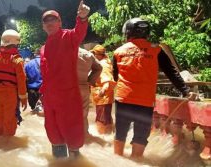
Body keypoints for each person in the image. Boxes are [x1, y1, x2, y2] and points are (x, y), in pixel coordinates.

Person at [112, 17, 197, 159]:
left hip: (123, 99)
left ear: (128, 32)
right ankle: (136, 161)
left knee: (120, 132)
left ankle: (116, 160)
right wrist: (186, 91)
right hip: (145, 101)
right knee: (140, 134)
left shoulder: (118, 52)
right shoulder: (156, 50)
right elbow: (172, 73)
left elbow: (115, 76)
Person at [40, 1, 90, 159]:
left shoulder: (68, 36)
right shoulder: (43, 48)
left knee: (73, 134)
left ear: (60, 22)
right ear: (43, 26)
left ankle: (76, 161)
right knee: (54, 136)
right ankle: (59, 162)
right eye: (46, 21)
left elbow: (79, 32)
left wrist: (82, 18)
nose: (49, 23)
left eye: (53, 20)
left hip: (68, 97)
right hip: (50, 99)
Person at [0, 29, 27, 137]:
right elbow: (21, 80)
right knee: (9, 120)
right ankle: (7, 143)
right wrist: (23, 97)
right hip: (10, 94)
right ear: (15, 43)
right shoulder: (17, 60)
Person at [90, 45, 116, 135]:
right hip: (102, 97)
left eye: (93, 53)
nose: (92, 56)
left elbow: (107, 81)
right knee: (106, 118)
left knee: (102, 119)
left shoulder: (103, 65)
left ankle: (103, 139)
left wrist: (102, 92)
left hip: (103, 97)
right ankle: (109, 136)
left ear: (98, 55)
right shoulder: (103, 62)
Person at [77, 48, 102, 136]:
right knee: (83, 115)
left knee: (66, 115)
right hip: (83, 87)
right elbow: (99, 68)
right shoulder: (87, 53)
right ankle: (85, 138)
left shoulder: (61, 51)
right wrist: (90, 81)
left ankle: (69, 142)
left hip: (66, 88)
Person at [24, 48, 43, 112]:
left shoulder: (28, 64)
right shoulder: (46, 62)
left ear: (35, 54)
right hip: (42, 90)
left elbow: (24, 76)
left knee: (33, 109)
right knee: (42, 111)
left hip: (31, 90)